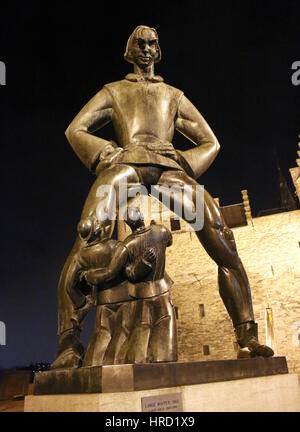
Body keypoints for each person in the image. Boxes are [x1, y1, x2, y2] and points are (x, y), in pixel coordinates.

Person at [62, 25, 273, 360]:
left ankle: (246, 336)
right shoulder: (114, 91)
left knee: (221, 236)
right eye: (140, 44)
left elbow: (211, 142)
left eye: (153, 44)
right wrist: (106, 154)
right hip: (126, 168)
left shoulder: (173, 96)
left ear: (158, 52)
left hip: (167, 173)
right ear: (130, 51)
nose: (147, 49)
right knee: (86, 235)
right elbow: (76, 129)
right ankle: (68, 343)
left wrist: (185, 162)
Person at [83, 207, 177, 366]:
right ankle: (162, 359)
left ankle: (137, 361)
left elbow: (121, 273)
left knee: (142, 328)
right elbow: (170, 241)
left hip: (141, 294)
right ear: (141, 216)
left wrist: (90, 276)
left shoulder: (127, 245)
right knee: (166, 322)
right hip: (162, 290)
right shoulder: (161, 231)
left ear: (127, 224)